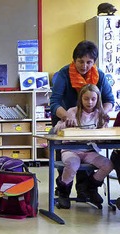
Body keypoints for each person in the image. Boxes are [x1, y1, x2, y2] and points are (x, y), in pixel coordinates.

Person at [50, 40, 115, 201]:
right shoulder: (64, 74)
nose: (84, 66)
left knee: (89, 154)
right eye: (80, 61)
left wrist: (100, 113)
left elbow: (109, 100)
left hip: (91, 119)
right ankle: (63, 190)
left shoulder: (99, 75)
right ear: (74, 60)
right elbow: (55, 102)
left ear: (94, 62)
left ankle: (86, 189)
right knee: (69, 161)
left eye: (89, 62)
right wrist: (68, 116)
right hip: (67, 117)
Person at [53, 84, 113, 209]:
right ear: (80, 99)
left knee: (108, 164)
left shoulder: (99, 114)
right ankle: (64, 193)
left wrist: (104, 127)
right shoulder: (72, 112)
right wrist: (65, 124)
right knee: (73, 164)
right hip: (70, 149)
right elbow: (56, 130)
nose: (89, 102)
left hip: (89, 150)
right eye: (86, 99)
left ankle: (89, 188)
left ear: (98, 100)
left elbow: (102, 137)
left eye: (93, 99)